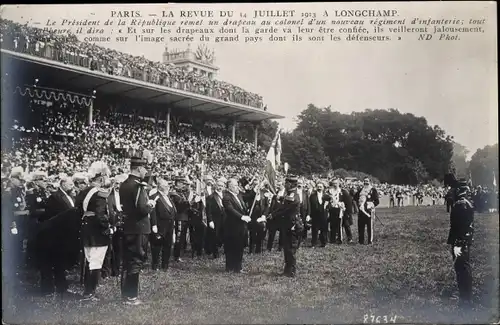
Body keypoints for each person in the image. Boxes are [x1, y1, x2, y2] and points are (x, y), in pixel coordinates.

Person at [119, 155, 157, 305]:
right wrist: (151, 205)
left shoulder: (124, 184)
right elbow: (142, 209)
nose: (146, 171)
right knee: (136, 261)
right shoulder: (138, 186)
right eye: (144, 168)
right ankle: (131, 296)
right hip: (139, 228)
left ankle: (125, 294)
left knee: (128, 261)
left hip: (128, 227)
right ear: (139, 168)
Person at [78, 161, 114, 301]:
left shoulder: (84, 191)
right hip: (97, 232)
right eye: (105, 177)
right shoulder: (99, 194)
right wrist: (108, 227)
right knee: (96, 262)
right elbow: (100, 215)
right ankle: (89, 292)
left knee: (89, 260)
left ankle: (87, 291)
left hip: (86, 229)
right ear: (101, 178)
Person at [447, 182, 474, 308]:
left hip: (459, 242)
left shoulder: (459, 205)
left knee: (461, 269)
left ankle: (464, 298)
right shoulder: (467, 204)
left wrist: (455, 243)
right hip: (465, 240)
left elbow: (457, 227)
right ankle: (466, 296)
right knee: (465, 268)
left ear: (458, 191)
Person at [269, 175, 303, 277]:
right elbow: (286, 200)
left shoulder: (293, 196)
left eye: (287, 183)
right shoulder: (292, 194)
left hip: (291, 226)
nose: (285, 185)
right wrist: (278, 197)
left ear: (291, 184)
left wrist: (272, 214)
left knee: (290, 249)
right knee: (287, 248)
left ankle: (291, 271)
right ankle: (287, 270)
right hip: (288, 225)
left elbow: (284, 208)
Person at [222, 178, 250, 273]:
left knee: (239, 246)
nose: (237, 187)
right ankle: (230, 267)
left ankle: (238, 267)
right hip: (232, 226)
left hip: (241, 226)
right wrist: (242, 217)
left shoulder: (239, 195)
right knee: (231, 247)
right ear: (229, 187)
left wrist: (255, 189)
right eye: (234, 186)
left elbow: (249, 197)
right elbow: (230, 210)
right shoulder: (226, 197)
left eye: (237, 185)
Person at [149, 177, 177, 271]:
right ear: (161, 187)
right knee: (156, 246)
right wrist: (154, 225)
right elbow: (153, 212)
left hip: (169, 225)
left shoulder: (168, 196)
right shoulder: (155, 197)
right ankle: (155, 264)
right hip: (160, 225)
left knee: (167, 245)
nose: (168, 187)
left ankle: (165, 265)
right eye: (167, 186)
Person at [325, 178, 353, 244]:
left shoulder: (343, 191)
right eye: (333, 183)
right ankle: (333, 239)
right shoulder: (329, 191)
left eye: (336, 183)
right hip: (333, 210)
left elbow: (349, 202)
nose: (335, 185)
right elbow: (326, 199)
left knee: (346, 225)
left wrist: (348, 212)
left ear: (339, 183)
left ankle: (349, 238)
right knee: (333, 225)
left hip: (342, 211)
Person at [354, 178, 379, 245]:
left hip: (369, 211)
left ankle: (370, 241)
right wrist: (358, 204)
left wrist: (371, 205)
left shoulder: (373, 190)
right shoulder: (360, 190)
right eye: (364, 181)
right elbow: (355, 198)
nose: (366, 183)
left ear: (370, 182)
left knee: (370, 227)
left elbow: (377, 201)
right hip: (361, 211)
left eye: (367, 181)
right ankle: (360, 241)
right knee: (360, 226)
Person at [206, 178, 226, 258]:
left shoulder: (225, 195)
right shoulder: (211, 197)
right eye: (218, 185)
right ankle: (215, 252)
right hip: (215, 219)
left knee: (225, 234)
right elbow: (208, 210)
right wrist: (210, 220)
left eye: (222, 186)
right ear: (215, 186)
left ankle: (225, 250)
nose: (220, 187)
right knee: (215, 235)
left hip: (225, 218)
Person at [309, 182, 328, 247]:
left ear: (323, 188)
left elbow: (330, 204)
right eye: (318, 187)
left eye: (321, 187)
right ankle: (313, 243)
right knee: (314, 229)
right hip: (315, 215)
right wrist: (310, 214)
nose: (319, 188)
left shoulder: (326, 196)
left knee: (324, 229)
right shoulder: (312, 195)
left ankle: (323, 243)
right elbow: (310, 206)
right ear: (316, 187)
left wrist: (327, 207)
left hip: (323, 215)